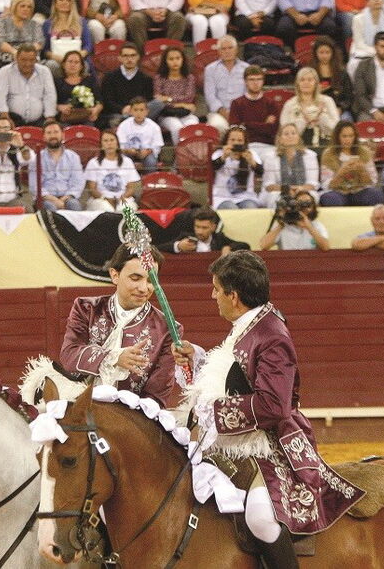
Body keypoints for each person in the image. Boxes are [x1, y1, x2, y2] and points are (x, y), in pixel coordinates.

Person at [174, 250, 363, 568]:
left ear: (233, 296)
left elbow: (273, 406)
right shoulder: (251, 323)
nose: (212, 295)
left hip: (272, 444)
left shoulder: (272, 334)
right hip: (238, 439)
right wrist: (198, 358)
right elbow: (237, 375)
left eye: (217, 289)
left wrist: (211, 412)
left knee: (261, 515)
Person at [60, 242, 183, 408]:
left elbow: (156, 396)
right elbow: (69, 355)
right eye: (135, 278)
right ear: (114, 275)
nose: (144, 288)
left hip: (129, 420)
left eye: (151, 280)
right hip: (79, 409)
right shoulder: (86, 308)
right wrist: (114, 357)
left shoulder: (168, 328)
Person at [319, 121, 384, 206]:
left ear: (355, 137)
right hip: (338, 192)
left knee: (377, 195)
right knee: (330, 199)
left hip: (359, 191)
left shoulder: (364, 152)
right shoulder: (328, 154)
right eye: (344, 136)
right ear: (337, 137)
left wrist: (362, 171)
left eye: (351, 136)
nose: (348, 140)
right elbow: (326, 185)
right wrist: (341, 173)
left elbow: (373, 182)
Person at [0, 44, 58, 127]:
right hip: (11, 119)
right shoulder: (4, 72)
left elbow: (50, 95)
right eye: (23, 60)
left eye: (31, 60)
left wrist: (50, 118)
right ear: (16, 59)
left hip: (40, 121)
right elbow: (0, 97)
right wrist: (5, 119)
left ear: (36, 60)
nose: (27, 64)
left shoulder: (44, 72)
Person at [29, 120, 85, 210]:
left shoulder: (73, 157)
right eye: (49, 133)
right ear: (44, 136)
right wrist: (53, 199)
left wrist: (64, 199)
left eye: (56, 132)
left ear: (63, 135)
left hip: (68, 198)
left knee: (74, 205)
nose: (53, 136)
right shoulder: (37, 158)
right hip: (45, 199)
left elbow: (78, 183)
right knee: (50, 207)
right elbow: (34, 185)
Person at [279, 67, 339, 150]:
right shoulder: (290, 104)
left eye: (310, 80)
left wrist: (321, 118)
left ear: (316, 83)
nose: (306, 83)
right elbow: (284, 132)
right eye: (302, 80)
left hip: (326, 146)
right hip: (298, 148)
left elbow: (336, 129)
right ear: (297, 83)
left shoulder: (327, 101)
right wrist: (304, 120)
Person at [260, 123, 320, 207]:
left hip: (303, 190)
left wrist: (299, 189)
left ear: (298, 137)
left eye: (293, 133)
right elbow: (269, 185)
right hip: (278, 191)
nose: (290, 136)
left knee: (310, 197)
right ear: (280, 138)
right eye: (286, 134)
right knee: (275, 198)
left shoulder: (310, 155)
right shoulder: (270, 156)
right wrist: (287, 190)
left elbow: (312, 183)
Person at [100, 43, 158, 127]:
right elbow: (107, 101)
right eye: (125, 56)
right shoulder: (109, 77)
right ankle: (128, 119)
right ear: (119, 58)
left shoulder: (146, 78)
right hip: (119, 114)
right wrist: (122, 109)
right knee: (116, 119)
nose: (129, 59)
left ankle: (129, 119)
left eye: (133, 55)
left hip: (140, 113)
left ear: (138, 57)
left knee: (157, 103)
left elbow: (148, 100)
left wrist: (135, 110)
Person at [203, 35, 250, 134]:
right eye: (223, 49)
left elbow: (248, 93)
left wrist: (237, 113)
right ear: (219, 51)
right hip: (219, 112)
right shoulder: (210, 69)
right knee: (218, 126)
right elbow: (210, 95)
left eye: (230, 48)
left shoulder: (246, 68)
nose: (227, 51)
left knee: (247, 126)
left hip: (243, 111)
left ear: (236, 50)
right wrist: (222, 111)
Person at [84, 129, 141, 211]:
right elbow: (92, 189)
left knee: (124, 209)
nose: (109, 143)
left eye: (112, 140)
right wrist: (106, 199)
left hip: (123, 198)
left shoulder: (127, 162)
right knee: (107, 209)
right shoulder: (93, 163)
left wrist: (121, 199)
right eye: (105, 141)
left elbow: (131, 188)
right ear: (101, 145)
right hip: (100, 199)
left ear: (117, 143)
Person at [42, 0, 93, 76]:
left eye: (68, 0)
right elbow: (45, 49)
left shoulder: (81, 22)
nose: (64, 2)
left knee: (84, 65)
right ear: (55, 3)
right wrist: (57, 57)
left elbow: (88, 46)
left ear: (72, 3)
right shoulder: (48, 24)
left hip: (77, 59)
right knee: (51, 65)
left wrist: (75, 58)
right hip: (56, 60)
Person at [211, 125, 264, 209]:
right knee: (232, 209)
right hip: (222, 198)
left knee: (251, 209)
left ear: (244, 142)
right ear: (226, 141)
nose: (236, 143)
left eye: (240, 140)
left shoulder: (251, 154)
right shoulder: (219, 153)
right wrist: (224, 157)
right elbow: (212, 168)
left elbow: (260, 172)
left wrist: (252, 162)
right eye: (232, 140)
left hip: (246, 197)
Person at [153, 47, 199, 144]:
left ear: (182, 60)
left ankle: (191, 155)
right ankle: (179, 156)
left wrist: (169, 99)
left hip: (185, 113)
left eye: (178, 58)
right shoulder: (159, 78)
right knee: (177, 127)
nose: (175, 62)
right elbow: (158, 99)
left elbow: (189, 97)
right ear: (165, 61)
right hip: (166, 114)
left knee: (192, 125)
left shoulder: (189, 78)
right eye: (171, 59)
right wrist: (182, 104)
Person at [0, 0, 45, 75]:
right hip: (3, 60)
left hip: (29, 59)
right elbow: (0, 43)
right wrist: (16, 53)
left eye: (29, 7)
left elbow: (39, 43)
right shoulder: (1, 23)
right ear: (14, 7)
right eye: (22, 6)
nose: (26, 9)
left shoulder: (35, 24)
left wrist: (26, 55)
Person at [347, 0, 384, 78]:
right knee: (353, 65)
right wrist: (377, 52)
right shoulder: (358, 19)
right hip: (363, 52)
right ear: (368, 2)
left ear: (383, 1)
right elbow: (359, 43)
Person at [158, 206, 250, 253]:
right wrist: (178, 246)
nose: (199, 231)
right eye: (197, 227)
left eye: (204, 228)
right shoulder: (186, 237)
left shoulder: (219, 238)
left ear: (213, 227)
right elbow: (159, 248)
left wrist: (229, 247)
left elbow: (245, 246)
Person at [259, 189, 330, 250]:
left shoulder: (316, 225)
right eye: (300, 203)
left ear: (313, 208)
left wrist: (309, 227)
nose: (304, 207)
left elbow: (326, 247)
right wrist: (282, 223)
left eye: (308, 204)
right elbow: (263, 246)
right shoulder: (282, 225)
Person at [228, 65, 279, 146]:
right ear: (245, 81)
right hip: (245, 146)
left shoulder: (271, 103)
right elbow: (236, 131)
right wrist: (264, 125)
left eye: (259, 79)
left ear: (263, 81)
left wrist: (246, 124)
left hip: (268, 146)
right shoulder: (237, 103)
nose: (255, 83)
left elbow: (272, 130)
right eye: (251, 80)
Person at [55, 50, 104, 126]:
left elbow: (100, 101)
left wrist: (96, 110)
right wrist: (59, 107)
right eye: (70, 61)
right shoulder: (57, 82)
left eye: (76, 62)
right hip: (65, 119)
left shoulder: (90, 80)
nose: (73, 65)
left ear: (81, 66)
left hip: (87, 118)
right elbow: (51, 102)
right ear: (63, 64)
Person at [116, 96, 164, 173]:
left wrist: (148, 151)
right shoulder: (123, 125)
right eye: (135, 110)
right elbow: (120, 144)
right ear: (131, 111)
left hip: (146, 153)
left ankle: (149, 181)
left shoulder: (154, 126)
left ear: (147, 111)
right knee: (123, 159)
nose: (139, 113)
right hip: (128, 152)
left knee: (151, 161)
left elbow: (157, 145)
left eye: (142, 110)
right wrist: (128, 150)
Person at [311, 36, 353, 120]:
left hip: (339, 109)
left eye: (327, 52)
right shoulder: (310, 72)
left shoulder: (342, 73)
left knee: (346, 119)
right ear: (316, 53)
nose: (324, 56)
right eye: (321, 52)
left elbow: (349, 96)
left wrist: (341, 108)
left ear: (332, 53)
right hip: (316, 109)